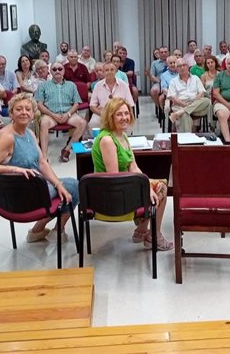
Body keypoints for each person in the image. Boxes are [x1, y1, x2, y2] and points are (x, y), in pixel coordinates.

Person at [0, 93, 79, 243]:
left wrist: (57, 184)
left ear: (33, 114)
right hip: (21, 196)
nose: (24, 112)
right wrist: (14, 169)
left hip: (31, 189)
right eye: (19, 109)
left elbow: (42, 163)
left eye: (28, 109)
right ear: (11, 113)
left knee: (65, 188)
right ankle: (55, 229)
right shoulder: (7, 137)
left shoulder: (30, 133)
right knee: (75, 187)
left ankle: (39, 231)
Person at [91, 98, 173, 251]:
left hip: (122, 185)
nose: (125, 118)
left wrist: (147, 184)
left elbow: (133, 167)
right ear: (110, 117)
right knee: (160, 188)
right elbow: (114, 177)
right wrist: (145, 187)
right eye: (119, 114)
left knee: (157, 185)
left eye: (126, 113)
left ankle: (142, 231)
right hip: (111, 193)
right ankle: (154, 237)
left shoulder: (122, 136)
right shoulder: (107, 140)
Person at [35, 61, 87, 163]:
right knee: (44, 123)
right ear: (50, 72)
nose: (57, 71)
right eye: (54, 69)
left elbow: (76, 103)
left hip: (67, 113)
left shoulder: (71, 85)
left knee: (83, 123)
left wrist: (68, 114)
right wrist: (53, 115)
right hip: (50, 114)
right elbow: (39, 104)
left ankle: (67, 150)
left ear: (64, 71)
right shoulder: (43, 86)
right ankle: (44, 156)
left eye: (60, 69)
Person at [167, 59, 210, 133]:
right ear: (177, 69)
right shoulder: (173, 81)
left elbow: (201, 92)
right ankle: (187, 139)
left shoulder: (196, 78)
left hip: (196, 103)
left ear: (188, 67)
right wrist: (185, 105)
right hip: (180, 104)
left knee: (206, 101)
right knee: (185, 115)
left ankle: (180, 112)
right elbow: (174, 99)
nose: (182, 67)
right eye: (180, 66)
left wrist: (193, 103)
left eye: (184, 65)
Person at [89, 61, 134, 131]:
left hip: (120, 112)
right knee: (93, 123)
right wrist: (103, 114)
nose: (109, 72)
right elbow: (92, 106)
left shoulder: (123, 85)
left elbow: (130, 104)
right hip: (103, 112)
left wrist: (122, 113)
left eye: (112, 70)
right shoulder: (98, 85)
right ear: (103, 72)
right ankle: (99, 141)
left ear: (116, 71)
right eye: (107, 70)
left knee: (127, 125)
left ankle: (122, 141)